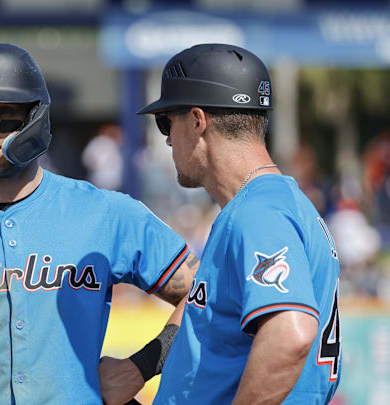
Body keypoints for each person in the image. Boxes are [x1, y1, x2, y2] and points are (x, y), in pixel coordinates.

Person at [0, 43, 200, 405]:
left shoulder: (104, 211)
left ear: (36, 119)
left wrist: (140, 367)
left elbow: (206, 293)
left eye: (3, 115)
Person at [134, 43, 341, 404]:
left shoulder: (258, 211)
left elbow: (290, 333)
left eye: (167, 120)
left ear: (198, 120)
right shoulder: (271, 203)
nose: (167, 137)